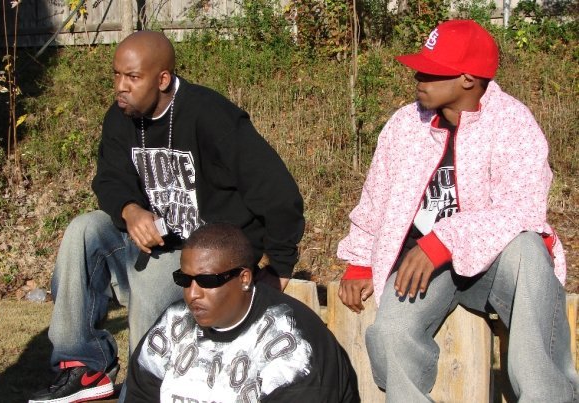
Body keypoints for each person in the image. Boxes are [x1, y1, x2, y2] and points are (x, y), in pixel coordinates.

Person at [29, 31, 304, 403]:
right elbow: (109, 178)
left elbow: (276, 189)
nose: (120, 86)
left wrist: (281, 264)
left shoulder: (210, 116)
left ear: (162, 79)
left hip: (207, 257)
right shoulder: (122, 116)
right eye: (116, 75)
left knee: (154, 274)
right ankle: (84, 367)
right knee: (84, 230)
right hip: (154, 242)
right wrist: (129, 210)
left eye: (132, 77)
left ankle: (143, 389)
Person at [337, 19, 579, 402]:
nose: (418, 77)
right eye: (419, 68)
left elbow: (521, 209)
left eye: (431, 71)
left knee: (531, 250)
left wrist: (444, 240)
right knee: (391, 333)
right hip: (423, 265)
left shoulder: (513, 123)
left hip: (496, 262)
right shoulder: (405, 124)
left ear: (468, 79)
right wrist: (360, 260)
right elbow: (376, 196)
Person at [125, 222, 359, 402]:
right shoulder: (174, 321)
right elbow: (140, 395)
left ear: (244, 278)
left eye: (207, 280)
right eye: (184, 279)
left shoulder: (294, 346)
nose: (192, 293)